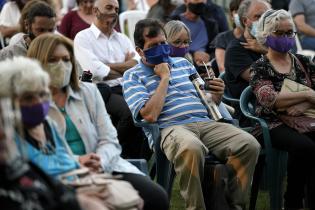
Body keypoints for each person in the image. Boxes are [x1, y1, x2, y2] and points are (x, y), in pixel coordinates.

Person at [123, 18, 261, 210]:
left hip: (205, 122)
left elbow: (207, 100)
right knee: (191, 147)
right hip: (170, 129)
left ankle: (233, 204)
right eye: (154, 45)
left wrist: (217, 94)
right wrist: (164, 78)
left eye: (163, 43)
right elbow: (150, 116)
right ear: (139, 51)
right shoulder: (132, 75)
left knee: (249, 144)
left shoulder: (183, 64)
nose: (162, 48)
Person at [27, 33, 169, 210]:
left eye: (66, 59)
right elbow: (33, 153)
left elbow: (109, 139)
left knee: (156, 197)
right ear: (37, 63)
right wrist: (78, 161)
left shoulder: (87, 92)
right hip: (59, 173)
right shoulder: (29, 102)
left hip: (104, 165)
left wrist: (99, 161)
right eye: (53, 60)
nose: (62, 65)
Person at [0, 56, 118, 210]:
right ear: (8, 102)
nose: (38, 102)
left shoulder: (48, 125)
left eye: (42, 94)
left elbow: (68, 164)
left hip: (79, 187)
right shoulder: (9, 140)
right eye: (28, 97)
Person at [251, 9, 315, 210]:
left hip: (305, 118)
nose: (286, 37)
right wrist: (306, 95)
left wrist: (305, 104)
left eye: (290, 33)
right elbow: (269, 99)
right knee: (305, 147)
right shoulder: (260, 66)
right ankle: (293, 201)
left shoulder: (303, 61)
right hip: (271, 123)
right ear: (266, 35)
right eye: (280, 33)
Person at [74, 0, 150, 159]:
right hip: (100, 89)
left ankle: (134, 158)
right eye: (108, 8)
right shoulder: (83, 38)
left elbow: (137, 65)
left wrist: (106, 66)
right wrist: (124, 66)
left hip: (126, 87)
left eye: (116, 9)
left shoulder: (122, 38)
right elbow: (94, 71)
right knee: (130, 113)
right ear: (95, 11)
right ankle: (110, 150)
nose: (114, 12)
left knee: (147, 111)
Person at [224, 0, 269, 126]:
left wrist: (266, 50)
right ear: (245, 21)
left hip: (281, 104)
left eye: (267, 16)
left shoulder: (273, 45)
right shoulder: (236, 49)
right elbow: (260, 79)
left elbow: (294, 70)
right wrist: (268, 52)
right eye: (258, 17)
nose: (263, 21)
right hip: (254, 115)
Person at [170, 0, 219, 69]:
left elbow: (216, 49)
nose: (200, 2)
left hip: (206, 66)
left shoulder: (211, 25)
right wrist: (193, 54)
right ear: (186, 1)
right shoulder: (173, 21)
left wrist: (208, 57)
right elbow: (171, 46)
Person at [210, 0, 244, 73]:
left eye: (244, 11)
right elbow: (222, 69)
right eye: (237, 11)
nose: (241, 15)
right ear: (232, 15)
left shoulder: (259, 39)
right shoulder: (223, 38)